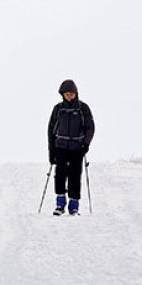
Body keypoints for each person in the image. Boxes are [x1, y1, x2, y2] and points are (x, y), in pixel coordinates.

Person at [47, 79, 95, 215]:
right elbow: (51, 130)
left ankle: (74, 206)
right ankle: (60, 204)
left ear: (76, 93)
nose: (69, 96)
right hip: (60, 146)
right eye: (66, 94)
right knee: (60, 175)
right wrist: (51, 151)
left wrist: (86, 143)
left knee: (75, 176)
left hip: (77, 148)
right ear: (62, 94)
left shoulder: (82, 108)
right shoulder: (58, 109)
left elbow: (90, 127)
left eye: (71, 94)